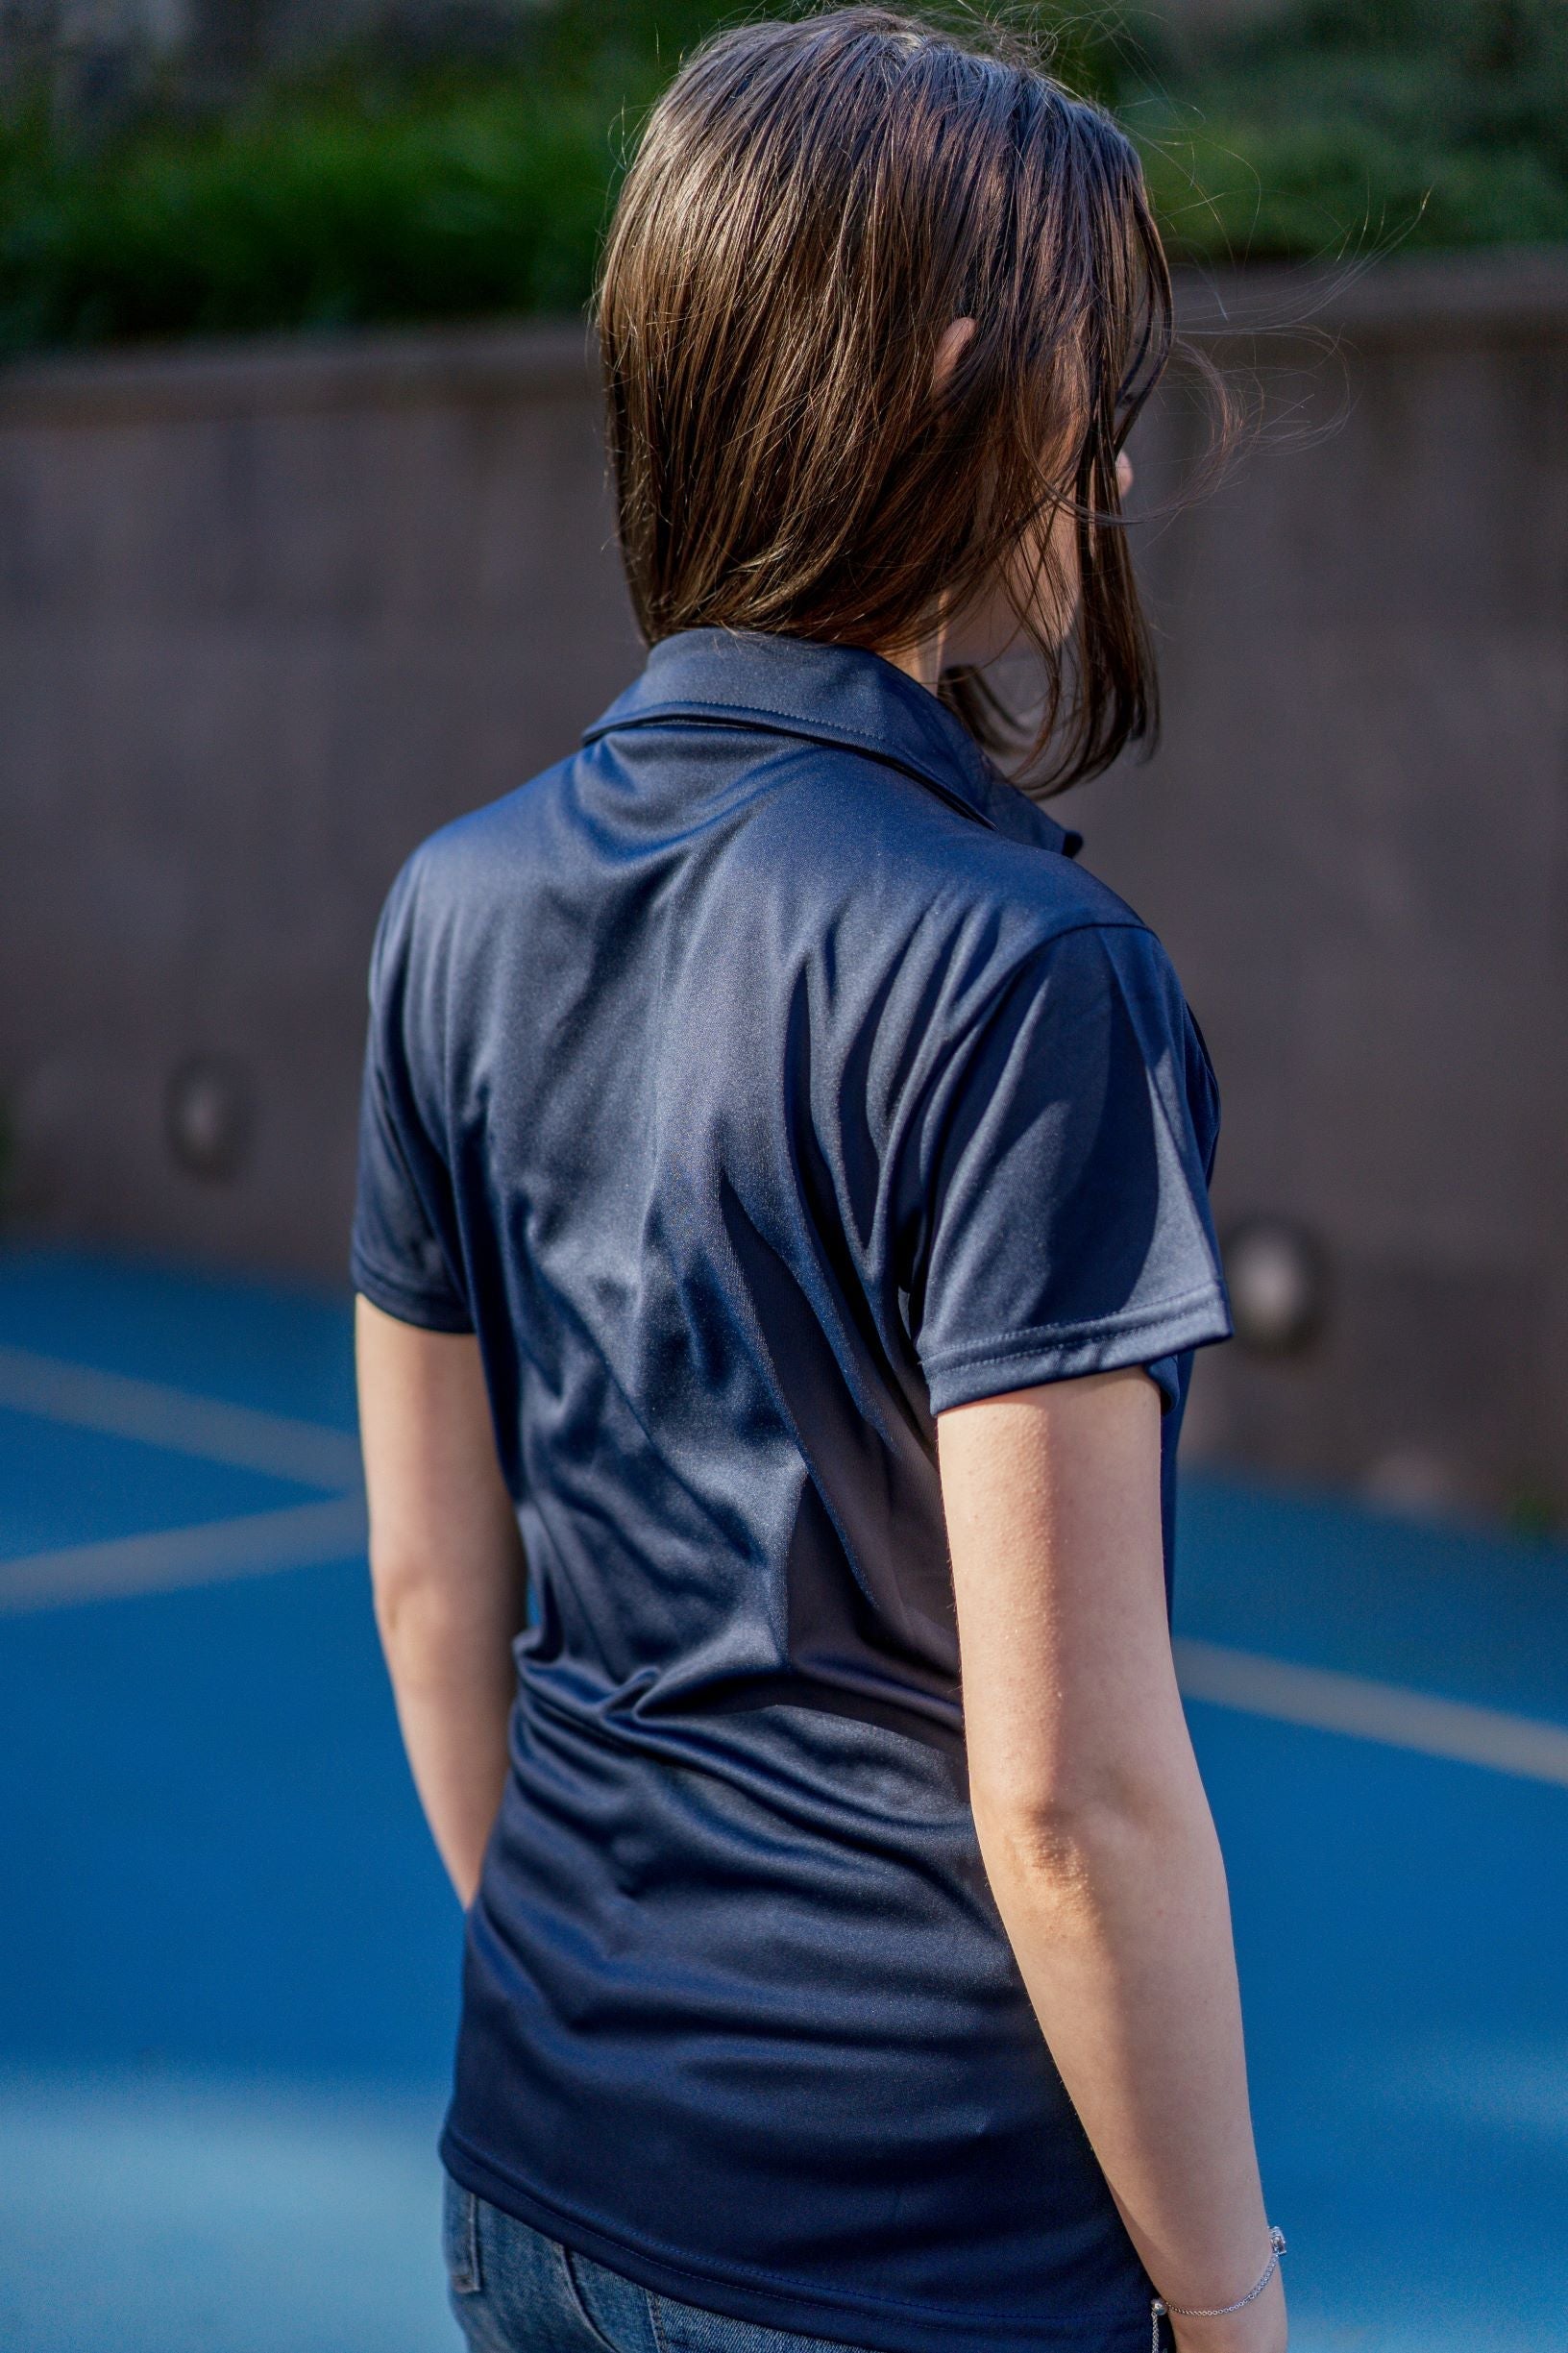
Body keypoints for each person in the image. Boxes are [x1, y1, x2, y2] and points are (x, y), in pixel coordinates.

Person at [351, 10, 1286, 2352]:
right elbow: (1069, 1797)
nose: (1124, 477)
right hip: (913, 2249)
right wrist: (1230, 2302)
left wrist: (601, 2013)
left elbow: (422, 1574)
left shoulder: (447, 904)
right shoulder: (1029, 976)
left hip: (537, 2165)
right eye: (1106, 396)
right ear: (963, 385)